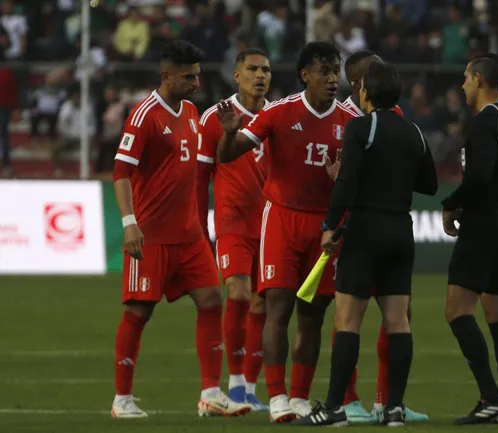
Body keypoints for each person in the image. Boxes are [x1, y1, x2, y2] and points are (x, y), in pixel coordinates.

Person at [215, 41, 357, 423]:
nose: (332, 78)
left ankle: (299, 397)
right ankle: (275, 395)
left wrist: (343, 183)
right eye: (324, 71)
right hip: (280, 219)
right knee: (278, 305)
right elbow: (229, 154)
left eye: (336, 70)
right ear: (305, 75)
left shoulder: (349, 121)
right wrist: (229, 133)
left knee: (313, 315)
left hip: (325, 228)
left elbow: (357, 180)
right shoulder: (279, 113)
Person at [292, 61, 438, 427]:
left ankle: (334, 408)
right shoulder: (413, 132)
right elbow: (431, 184)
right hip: (401, 231)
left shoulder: (361, 126)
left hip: (364, 230)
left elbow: (346, 182)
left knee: (347, 321)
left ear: (365, 93)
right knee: (398, 322)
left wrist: (329, 225)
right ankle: (394, 408)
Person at [110, 40, 251, 419]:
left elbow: (217, 157)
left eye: (198, 74)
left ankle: (210, 394)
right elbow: (121, 173)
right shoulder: (144, 117)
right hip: (151, 236)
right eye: (189, 76)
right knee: (139, 312)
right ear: (166, 75)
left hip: (189, 236)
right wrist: (130, 225)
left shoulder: (191, 111)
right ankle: (122, 399)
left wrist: (229, 133)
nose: (196, 81)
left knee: (211, 301)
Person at [335, 49, 428, 424]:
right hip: (353, 225)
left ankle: (386, 401)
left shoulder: (392, 116)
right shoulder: (343, 117)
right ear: (361, 82)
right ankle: (349, 399)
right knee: (346, 315)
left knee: (396, 313)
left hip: (378, 224)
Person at [441, 56, 498, 425]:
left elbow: (479, 177)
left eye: (465, 78)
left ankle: (491, 398)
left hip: (483, 226)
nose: (462, 85)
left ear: (478, 79)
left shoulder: (486, 121)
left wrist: (450, 204)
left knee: (457, 311)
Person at [196, 47, 272, 411]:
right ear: (236, 75)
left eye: (266, 70)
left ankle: (252, 389)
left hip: (272, 224)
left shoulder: (279, 115)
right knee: (238, 293)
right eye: (252, 69)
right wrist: (198, 225)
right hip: (232, 220)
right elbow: (199, 178)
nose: (260, 75)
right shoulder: (214, 118)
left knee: (264, 302)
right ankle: (236, 382)